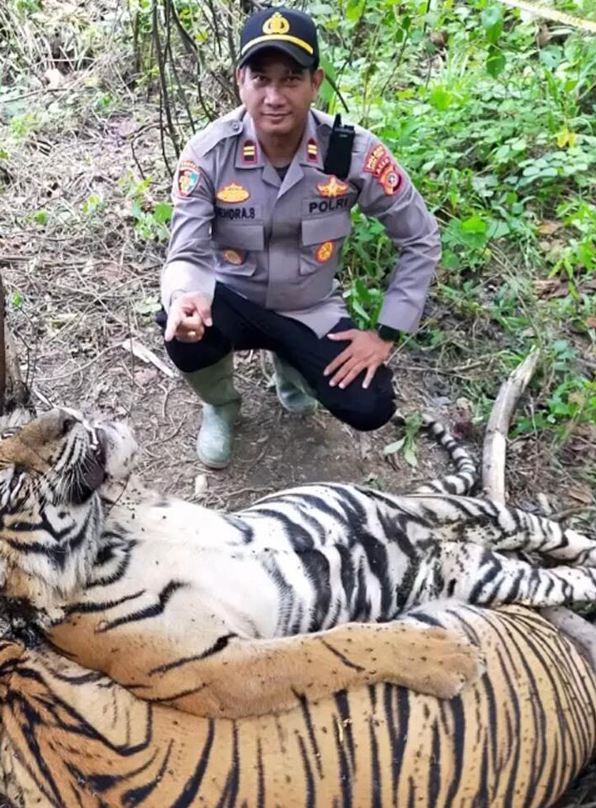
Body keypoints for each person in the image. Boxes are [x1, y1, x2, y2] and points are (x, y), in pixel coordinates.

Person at [157, 6, 441, 469]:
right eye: (261, 78)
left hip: (310, 308)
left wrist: (386, 332)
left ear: (316, 82)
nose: (274, 96)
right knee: (182, 332)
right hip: (232, 299)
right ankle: (222, 405)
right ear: (240, 81)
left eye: (291, 78)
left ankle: (292, 367)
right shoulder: (208, 152)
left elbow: (421, 238)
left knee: (371, 404)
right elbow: (186, 250)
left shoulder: (352, 152)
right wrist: (186, 297)